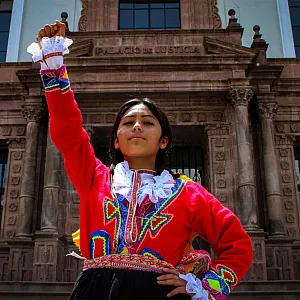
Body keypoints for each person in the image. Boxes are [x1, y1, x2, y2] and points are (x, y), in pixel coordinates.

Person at [28, 21, 253, 300]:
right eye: (128, 122)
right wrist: (53, 65)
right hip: (94, 292)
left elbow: (237, 244)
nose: (137, 127)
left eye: (147, 122)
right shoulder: (94, 177)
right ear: (115, 139)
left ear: (163, 140)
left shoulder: (189, 193)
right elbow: (67, 129)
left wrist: (208, 286)